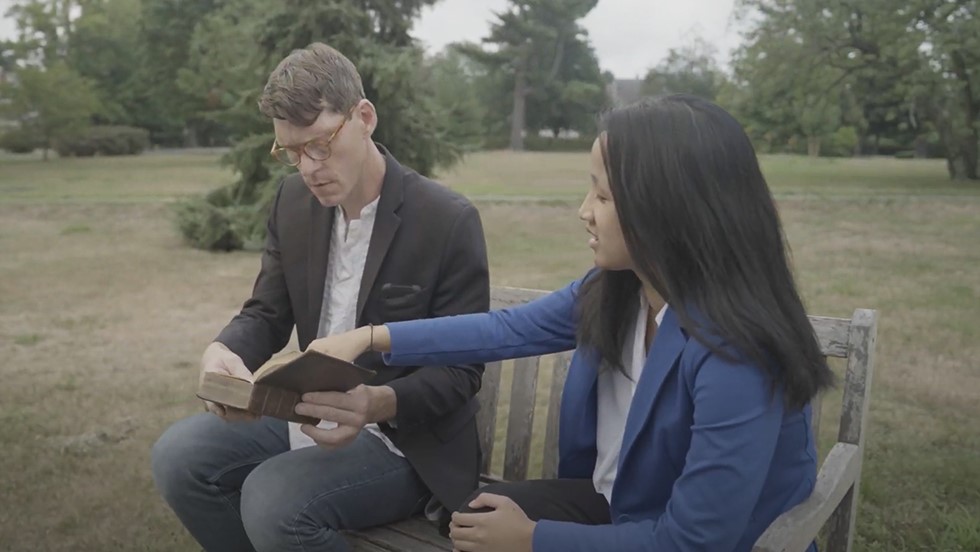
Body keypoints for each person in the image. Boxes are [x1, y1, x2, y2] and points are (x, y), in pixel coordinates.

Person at [304, 94, 835, 552]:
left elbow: (693, 541)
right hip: (619, 508)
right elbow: (505, 331)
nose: (585, 210)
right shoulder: (620, 290)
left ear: (668, 210)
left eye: (603, 196)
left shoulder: (736, 353)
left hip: (704, 540)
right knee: (475, 519)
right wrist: (371, 337)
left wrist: (534, 538)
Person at [150, 42, 491, 552]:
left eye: (320, 145)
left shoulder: (446, 220)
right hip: (305, 415)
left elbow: (461, 372)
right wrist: (226, 353)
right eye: (290, 152)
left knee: (271, 500)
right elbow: (266, 312)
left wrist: (375, 403)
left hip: (404, 444)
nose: (307, 168)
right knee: (178, 456)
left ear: (364, 117)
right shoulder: (292, 203)